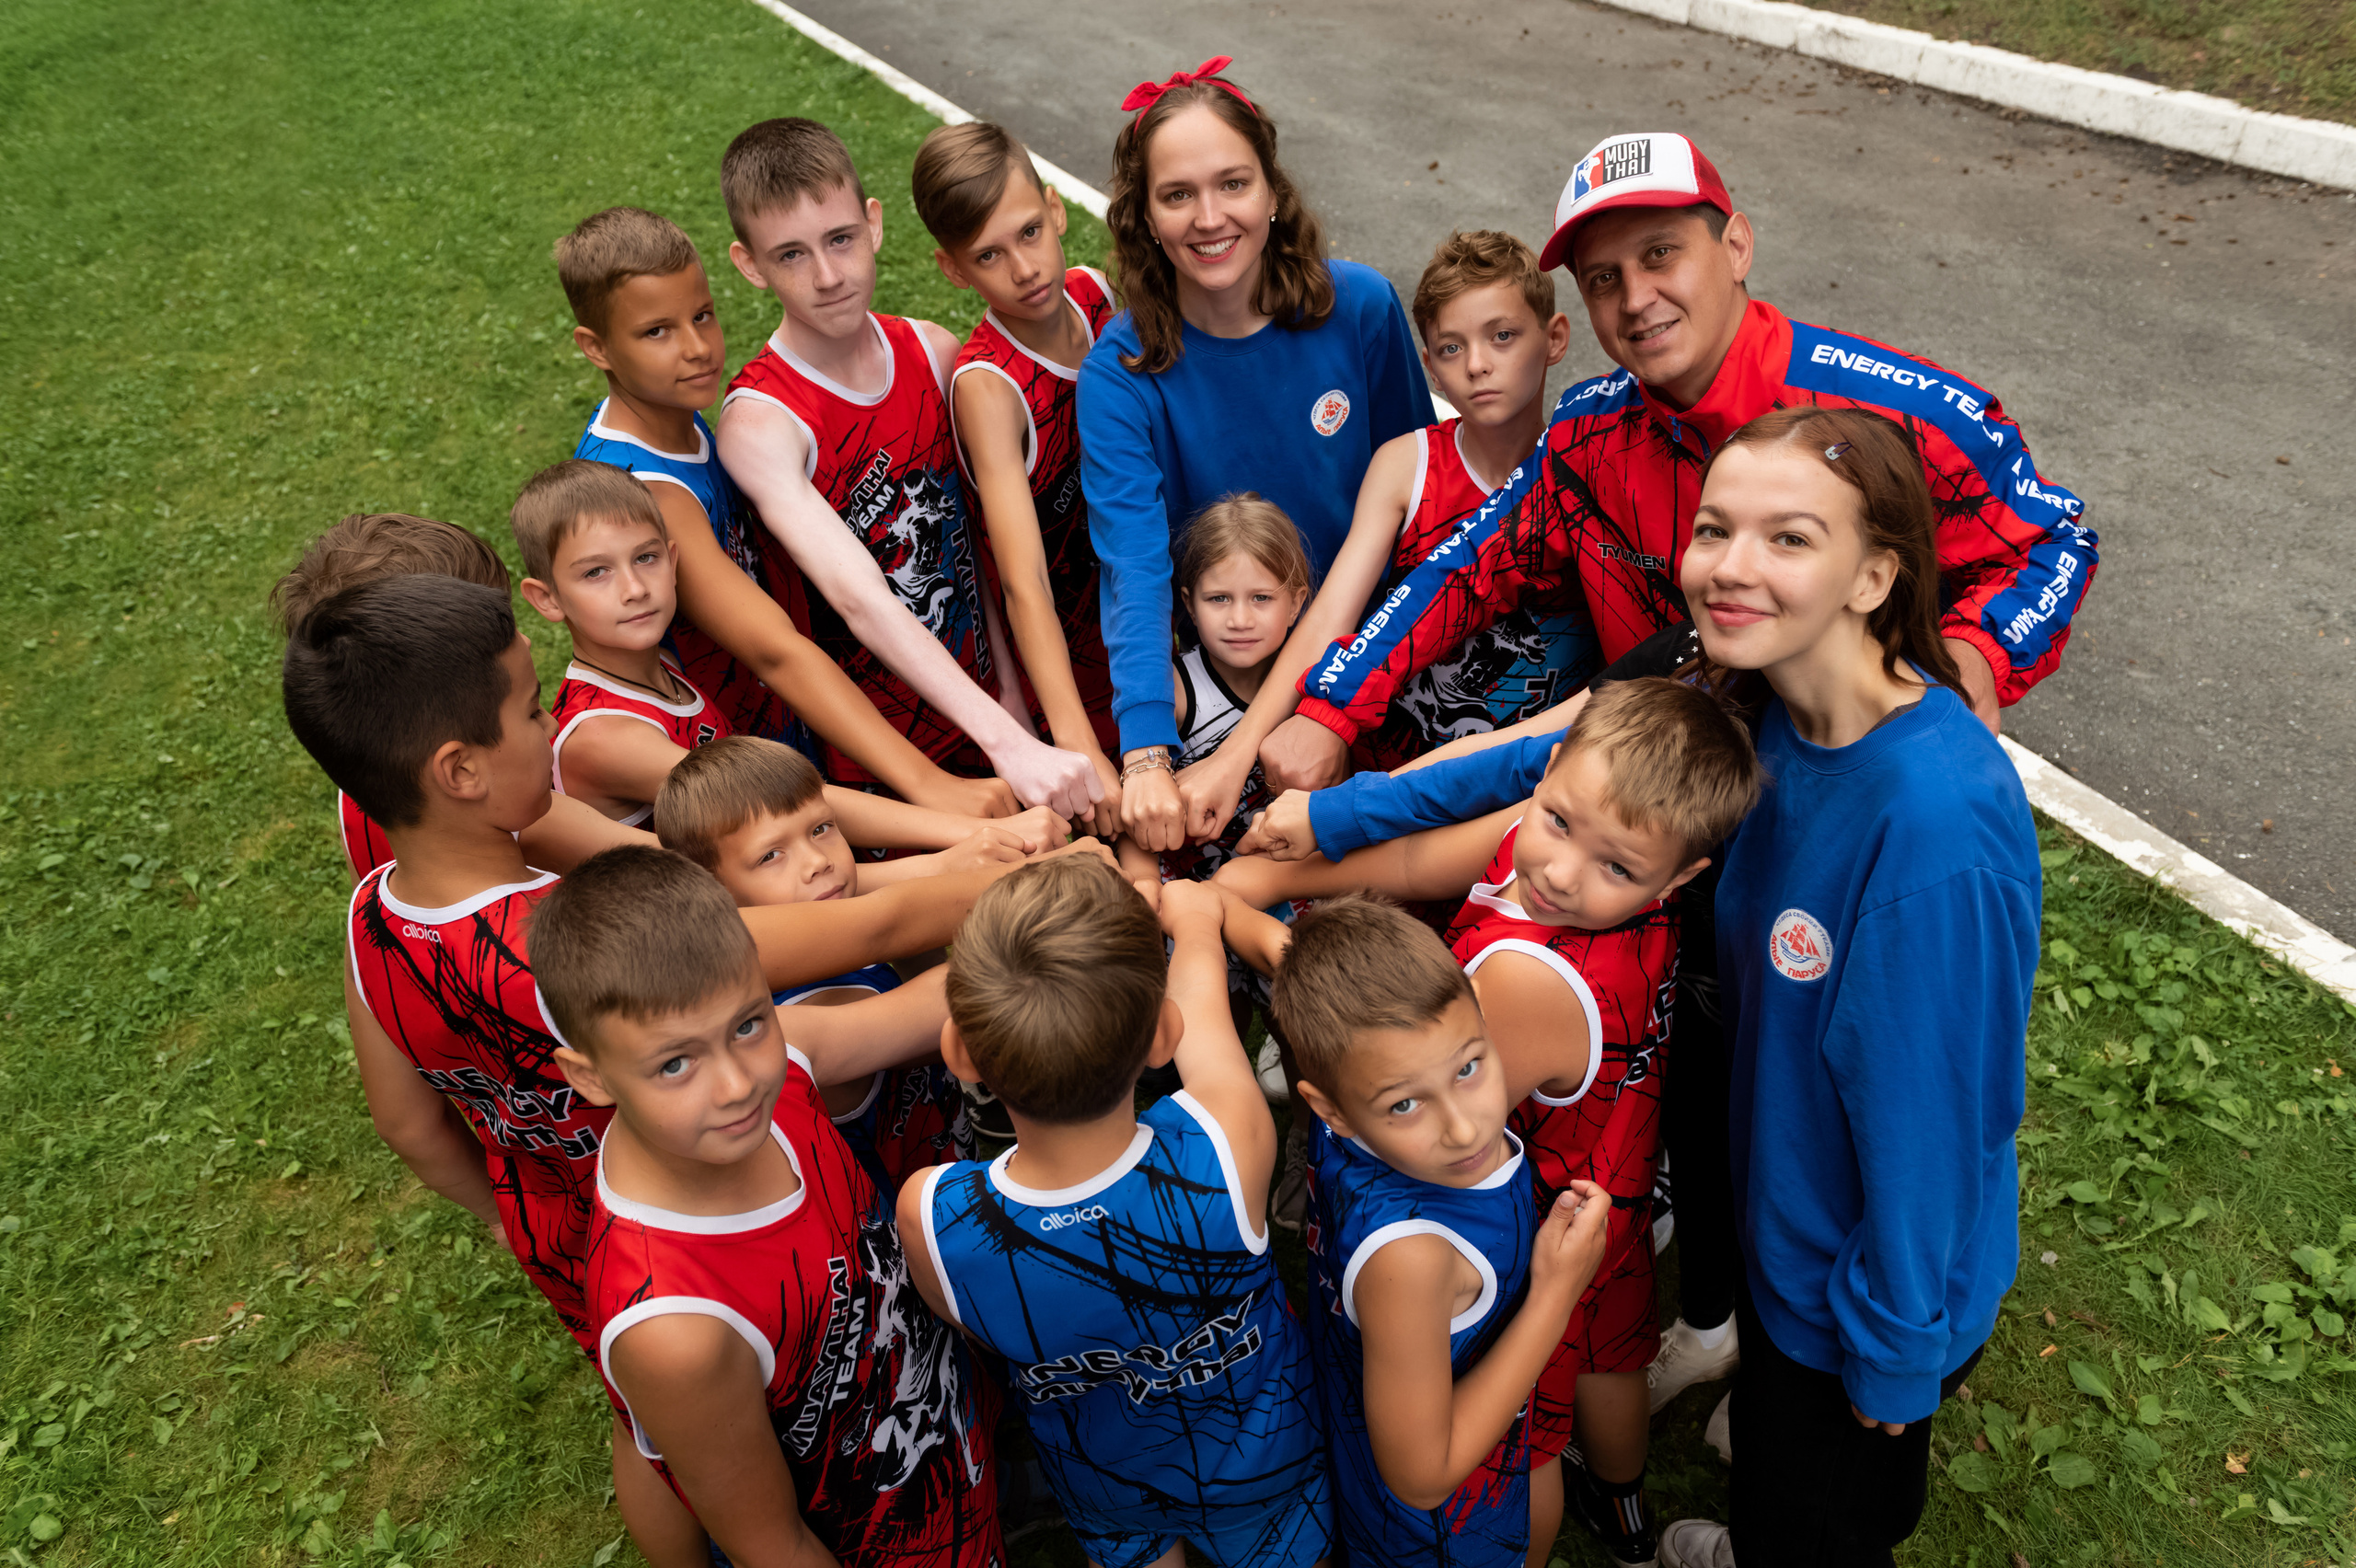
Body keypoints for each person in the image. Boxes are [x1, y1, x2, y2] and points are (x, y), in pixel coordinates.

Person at [1265, 131, 2095, 1405]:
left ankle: (1855, 1322)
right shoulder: (1594, 428)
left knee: (1828, 1066)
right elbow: (1466, 570)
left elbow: (2050, 532)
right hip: (1660, 809)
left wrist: (1971, 672)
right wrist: (1330, 710)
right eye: (1600, 279)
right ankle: (1713, 1303)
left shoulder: (1875, 409)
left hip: (1824, 801)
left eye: (1662, 255)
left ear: (1735, 247)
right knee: (1699, 1059)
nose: (1634, 297)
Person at [1218, 679, 1759, 1565]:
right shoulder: (1575, 865)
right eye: (1555, 822)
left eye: (1615, 867)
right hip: (1612, 1176)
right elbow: (1408, 867)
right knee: (1610, 1347)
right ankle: (1625, 1518)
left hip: (1526, 1216)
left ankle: (1537, 1538)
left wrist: (1237, 915)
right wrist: (1276, 872)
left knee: (1532, 1423)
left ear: (1684, 875)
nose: (1557, 871)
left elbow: (1390, 1052)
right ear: (1547, 774)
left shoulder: (1525, 981)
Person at [1650, 407, 2038, 1568]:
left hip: (1859, 1288)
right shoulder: (1767, 710)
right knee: (1788, 1472)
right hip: (1790, 1233)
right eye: (1715, 528)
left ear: (1874, 576)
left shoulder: (1930, 827)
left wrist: (1894, 1348)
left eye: (1787, 539)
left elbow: (1930, 1122)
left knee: (1821, 1519)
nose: (1730, 566)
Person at [535, 847, 1002, 1567]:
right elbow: (772, 1546)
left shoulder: (788, 1064)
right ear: (588, 1076)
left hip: (944, 1450)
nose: (735, 1084)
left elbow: (941, 999)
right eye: (675, 1064)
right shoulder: (675, 1328)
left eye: (749, 1023)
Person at [896, 859, 1331, 1568]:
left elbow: (969, 1322)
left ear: (960, 1054)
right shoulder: (1227, 1145)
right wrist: (1193, 923)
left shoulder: (933, 1215)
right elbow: (1206, 1024)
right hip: (1266, 1465)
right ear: (1162, 1036)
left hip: (1103, 1482)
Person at [558, 204, 1016, 820]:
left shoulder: (670, 417)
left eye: (702, 316)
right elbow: (775, 650)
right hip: (730, 769)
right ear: (596, 347)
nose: (696, 349)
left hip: (774, 728)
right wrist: (929, 785)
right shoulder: (651, 491)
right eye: (656, 333)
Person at [1078, 56, 1426, 856]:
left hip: (1376, 653)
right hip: (1227, 665)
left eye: (1232, 184)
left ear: (1273, 191)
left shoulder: (1361, 309)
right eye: (1177, 195)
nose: (1209, 217)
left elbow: (1417, 506)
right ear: (1145, 217)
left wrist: (1343, 701)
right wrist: (1144, 757)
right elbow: (1132, 564)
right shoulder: (1120, 372)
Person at [712, 119, 1098, 818]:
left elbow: (975, 549)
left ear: (874, 223)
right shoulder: (762, 420)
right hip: (878, 765)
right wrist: (1008, 742)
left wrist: (1010, 706)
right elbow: (858, 595)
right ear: (749, 265)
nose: (828, 276)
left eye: (840, 240)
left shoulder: (934, 351)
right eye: (791, 255)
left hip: (993, 719)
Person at [1274, 895, 1611, 1567]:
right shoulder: (1416, 1259)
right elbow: (1422, 1476)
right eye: (1405, 1103)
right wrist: (1556, 1293)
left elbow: (1278, 952)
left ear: (1483, 1014)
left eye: (1468, 1067)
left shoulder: (1355, 1106)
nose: (1464, 1127)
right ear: (1329, 1109)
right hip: (1442, 1540)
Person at [514, 458, 1065, 858]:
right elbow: (779, 804)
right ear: (546, 600)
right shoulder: (605, 735)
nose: (634, 588)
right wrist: (958, 827)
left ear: (673, 559)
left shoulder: (664, 674)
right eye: (596, 572)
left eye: (647, 558)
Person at [1208, 229, 1593, 779]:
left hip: (1535, 775)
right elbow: (1331, 617)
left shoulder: (1587, 460)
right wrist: (1236, 752)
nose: (1477, 364)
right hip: (1389, 771)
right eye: (1452, 347)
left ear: (1555, 338)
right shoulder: (1407, 465)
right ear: (1429, 365)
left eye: (1502, 336)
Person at [653, 734, 986, 1193]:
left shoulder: (782, 959)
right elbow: (974, 996)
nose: (816, 862)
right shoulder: (826, 1001)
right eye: (771, 856)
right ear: (714, 893)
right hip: (912, 1227)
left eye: (821, 828)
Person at [913, 121, 1125, 837]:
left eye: (1031, 232)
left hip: (1143, 617)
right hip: (1066, 666)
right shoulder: (989, 389)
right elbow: (1022, 582)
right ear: (953, 269)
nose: (1024, 267)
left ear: (1057, 208)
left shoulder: (1096, 295)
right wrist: (1077, 743)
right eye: (989, 255)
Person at [268, 509, 651, 883]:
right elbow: (682, 867)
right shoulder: (524, 811)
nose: (522, 639)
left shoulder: (365, 778)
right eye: (496, 629)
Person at [1114, 495, 1309, 896]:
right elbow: (1135, 819)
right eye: (1219, 598)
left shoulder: (1317, 687)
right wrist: (1146, 893)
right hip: (1185, 907)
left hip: (1289, 897)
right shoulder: (1173, 692)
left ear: (1296, 604)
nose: (1239, 619)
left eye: (1261, 598)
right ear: (1189, 603)